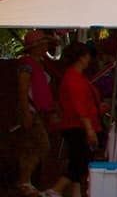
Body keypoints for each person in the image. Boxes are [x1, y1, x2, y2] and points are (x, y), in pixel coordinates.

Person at [49, 44, 100, 197]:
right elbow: (79, 106)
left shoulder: (77, 77)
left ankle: (75, 194)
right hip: (78, 126)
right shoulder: (73, 78)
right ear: (81, 58)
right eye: (87, 56)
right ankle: (55, 190)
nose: (89, 59)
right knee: (80, 163)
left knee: (78, 160)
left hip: (78, 124)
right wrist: (89, 129)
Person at [10, 32, 56, 195]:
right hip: (29, 110)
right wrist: (25, 112)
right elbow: (23, 89)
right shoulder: (27, 65)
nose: (46, 47)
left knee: (31, 146)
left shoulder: (40, 64)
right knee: (41, 145)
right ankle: (24, 180)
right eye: (43, 44)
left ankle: (25, 182)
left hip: (37, 111)